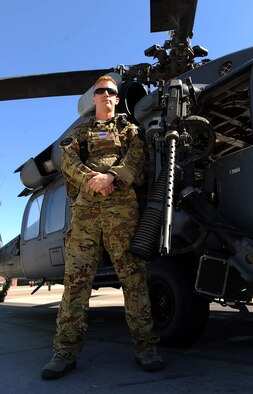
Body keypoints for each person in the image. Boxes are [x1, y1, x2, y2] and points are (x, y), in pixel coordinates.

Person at [41, 75, 164, 380]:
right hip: (85, 213)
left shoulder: (130, 129)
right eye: (100, 92)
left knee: (133, 279)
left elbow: (137, 158)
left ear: (117, 99)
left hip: (122, 211)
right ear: (93, 99)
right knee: (76, 283)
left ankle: (146, 347)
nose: (106, 95)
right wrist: (90, 179)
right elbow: (66, 161)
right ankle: (64, 352)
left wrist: (111, 177)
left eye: (111, 91)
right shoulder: (80, 132)